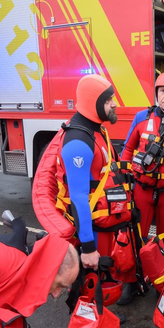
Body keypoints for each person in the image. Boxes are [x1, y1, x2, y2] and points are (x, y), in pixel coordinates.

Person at [118, 71, 164, 304]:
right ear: (156, 94)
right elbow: (127, 150)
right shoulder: (141, 117)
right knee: (135, 237)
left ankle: (162, 283)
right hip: (142, 189)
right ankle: (131, 282)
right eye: (162, 91)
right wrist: (124, 178)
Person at [52, 74, 133, 271]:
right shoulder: (78, 142)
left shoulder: (96, 130)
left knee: (106, 284)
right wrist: (88, 247)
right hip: (92, 232)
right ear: (92, 102)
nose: (114, 104)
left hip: (104, 224)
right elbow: (78, 197)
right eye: (108, 100)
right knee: (91, 288)